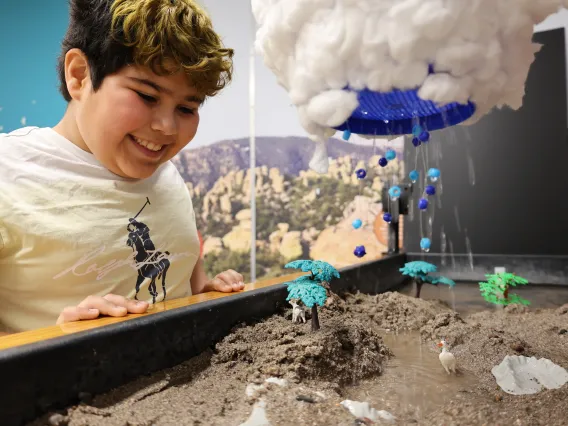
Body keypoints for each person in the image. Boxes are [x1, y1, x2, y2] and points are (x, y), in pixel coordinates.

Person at [0, 0, 245, 334]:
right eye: (146, 96)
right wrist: (55, 340)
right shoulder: (7, 172)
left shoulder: (166, 172)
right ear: (80, 75)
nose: (168, 128)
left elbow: (186, 281)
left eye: (187, 108)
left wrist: (206, 294)